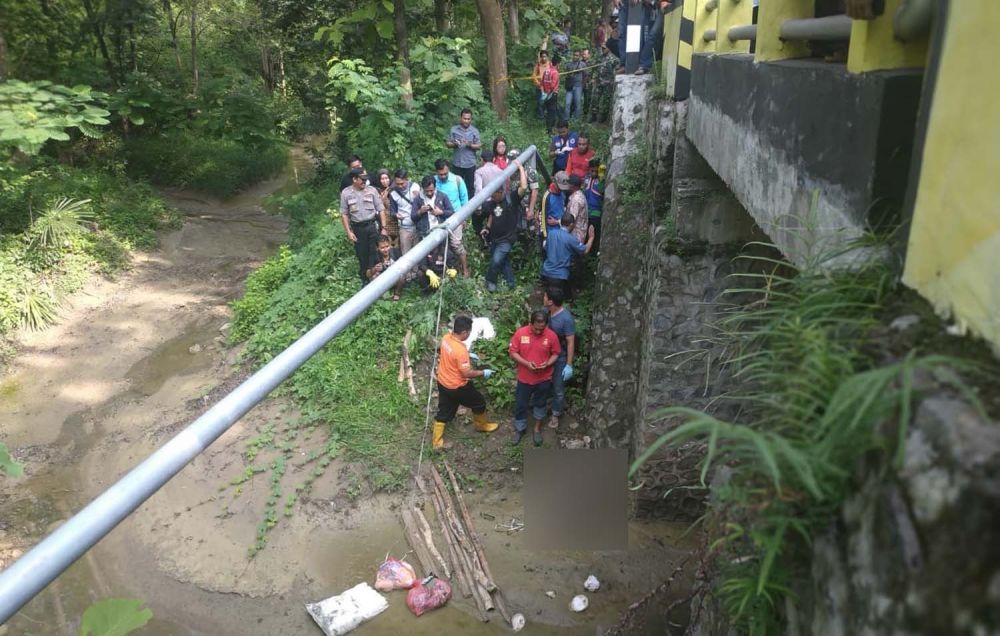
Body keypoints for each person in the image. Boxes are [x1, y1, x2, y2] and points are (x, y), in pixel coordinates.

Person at [433, 315, 499, 450]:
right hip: (457, 386)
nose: (469, 334)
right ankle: (481, 426)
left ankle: (436, 442)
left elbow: (451, 355)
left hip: (443, 381)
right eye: (469, 332)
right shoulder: (460, 350)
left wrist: (468, 355)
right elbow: (466, 373)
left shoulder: (446, 338)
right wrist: (483, 373)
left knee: (444, 410)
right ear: (464, 332)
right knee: (479, 402)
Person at [508, 310, 561, 446]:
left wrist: (548, 363)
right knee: (521, 404)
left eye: (541, 329)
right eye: (536, 328)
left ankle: (537, 429)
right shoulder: (521, 333)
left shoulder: (551, 336)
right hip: (524, 378)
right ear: (530, 323)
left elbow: (556, 353)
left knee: (540, 403)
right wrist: (526, 364)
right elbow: (513, 352)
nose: (538, 332)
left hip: (543, 378)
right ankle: (520, 429)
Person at [481, 158, 528, 291]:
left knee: (496, 261)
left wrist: (520, 168)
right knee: (503, 261)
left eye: (493, 195)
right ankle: (511, 284)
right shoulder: (492, 203)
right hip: (494, 238)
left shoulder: (511, 198)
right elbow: (492, 214)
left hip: (506, 239)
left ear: (500, 192)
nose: (492, 197)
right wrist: (487, 228)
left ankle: (490, 283)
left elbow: (524, 187)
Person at [340, 167, 388, 284]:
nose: (364, 182)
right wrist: (349, 232)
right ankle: (365, 279)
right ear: (354, 179)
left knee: (376, 252)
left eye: (365, 179)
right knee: (362, 254)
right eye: (362, 179)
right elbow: (344, 214)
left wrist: (384, 228)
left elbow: (381, 210)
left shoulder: (372, 190)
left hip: (372, 226)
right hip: (358, 228)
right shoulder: (346, 193)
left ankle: (379, 278)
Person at [542, 213, 596, 299]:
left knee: (551, 297)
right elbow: (584, 250)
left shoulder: (551, 233)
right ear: (571, 224)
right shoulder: (570, 239)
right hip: (560, 276)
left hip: (546, 272)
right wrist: (591, 238)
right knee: (564, 299)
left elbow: (546, 248)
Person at [543, 286, 576, 429]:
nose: (543, 299)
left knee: (558, 387)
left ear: (550, 301)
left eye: (545, 297)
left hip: (560, 357)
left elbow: (570, 341)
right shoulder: (545, 313)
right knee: (544, 383)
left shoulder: (566, 319)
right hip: (545, 355)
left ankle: (556, 414)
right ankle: (545, 405)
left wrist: (569, 364)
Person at [434, 159, 470, 277]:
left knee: (456, 244)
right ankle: (446, 272)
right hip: (438, 219)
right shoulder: (433, 181)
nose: (443, 176)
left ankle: (465, 271)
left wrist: (463, 218)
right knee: (441, 246)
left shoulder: (457, 180)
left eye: (445, 173)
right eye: (441, 174)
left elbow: (464, 200)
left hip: (455, 217)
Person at [445, 109, 481, 198]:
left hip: (470, 164)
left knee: (470, 187)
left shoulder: (474, 131)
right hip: (457, 163)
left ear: (471, 119)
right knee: (456, 186)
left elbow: (479, 146)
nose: (466, 121)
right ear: (461, 118)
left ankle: (470, 208)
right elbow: (448, 144)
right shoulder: (454, 129)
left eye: (468, 119)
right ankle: (458, 207)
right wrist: (455, 144)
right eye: (465, 118)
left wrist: (470, 145)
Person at [618, 0, 656, 76]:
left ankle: (641, 65)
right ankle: (624, 64)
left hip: (640, 4)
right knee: (622, 33)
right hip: (624, 3)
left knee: (640, 33)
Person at [388, 169, 422, 255]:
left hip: (418, 226)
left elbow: (422, 203)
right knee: (406, 253)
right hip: (404, 228)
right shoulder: (393, 194)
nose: (400, 186)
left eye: (402, 183)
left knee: (419, 253)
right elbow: (392, 211)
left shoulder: (415, 187)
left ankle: (417, 268)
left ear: (407, 179)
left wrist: (418, 196)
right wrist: (396, 215)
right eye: (397, 184)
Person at [473, 149, 504, 240]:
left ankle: (482, 239)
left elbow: (479, 189)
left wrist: (478, 207)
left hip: (485, 204)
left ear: (482, 159)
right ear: (493, 159)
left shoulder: (479, 171)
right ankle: (492, 239)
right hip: (497, 203)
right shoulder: (500, 171)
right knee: (495, 221)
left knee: (476, 220)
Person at [366, 235, 405, 301]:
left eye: (387, 246)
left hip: (393, 277)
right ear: (377, 248)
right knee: (373, 277)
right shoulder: (374, 256)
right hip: (381, 280)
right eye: (382, 248)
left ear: (390, 245)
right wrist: (375, 269)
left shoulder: (395, 252)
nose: (386, 250)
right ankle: (380, 294)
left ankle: (397, 293)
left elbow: (403, 266)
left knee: (402, 275)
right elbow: (367, 274)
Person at [532, 50, 560, 129]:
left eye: (545, 56)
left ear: (547, 57)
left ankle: (550, 122)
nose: (543, 58)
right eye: (542, 56)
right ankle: (542, 119)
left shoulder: (551, 65)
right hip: (540, 88)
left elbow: (554, 78)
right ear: (540, 57)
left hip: (549, 90)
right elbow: (534, 75)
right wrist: (538, 84)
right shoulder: (537, 65)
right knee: (540, 103)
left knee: (550, 106)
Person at [583, 158, 605, 252]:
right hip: (586, 214)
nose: (594, 173)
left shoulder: (601, 180)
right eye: (592, 171)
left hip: (596, 214)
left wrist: (601, 177)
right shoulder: (586, 179)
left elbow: (601, 191)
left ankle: (593, 256)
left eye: (596, 171)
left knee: (594, 237)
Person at [565, 174, 589, 246]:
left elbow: (571, 221)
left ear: (572, 187)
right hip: (580, 233)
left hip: (575, 235)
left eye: (568, 184)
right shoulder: (580, 195)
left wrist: (563, 235)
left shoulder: (575, 200)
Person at [563, 50, 587, 121]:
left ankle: (577, 120)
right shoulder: (568, 64)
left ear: (579, 56)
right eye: (574, 55)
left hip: (578, 86)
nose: (575, 56)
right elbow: (566, 75)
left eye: (577, 55)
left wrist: (583, 85)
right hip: (570, 87)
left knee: (578, 104)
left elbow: (585, 75)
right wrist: (571, 74)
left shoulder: (582, 64)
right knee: (567, 103)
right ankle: (566, 119)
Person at [374, 168, 395, 241]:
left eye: (386, 178)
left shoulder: (394, 189)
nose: (385, 181)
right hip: (382, 221)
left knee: (394, 243)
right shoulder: (377, 191)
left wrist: (388, 191)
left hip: (394, 220)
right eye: (382, 179)